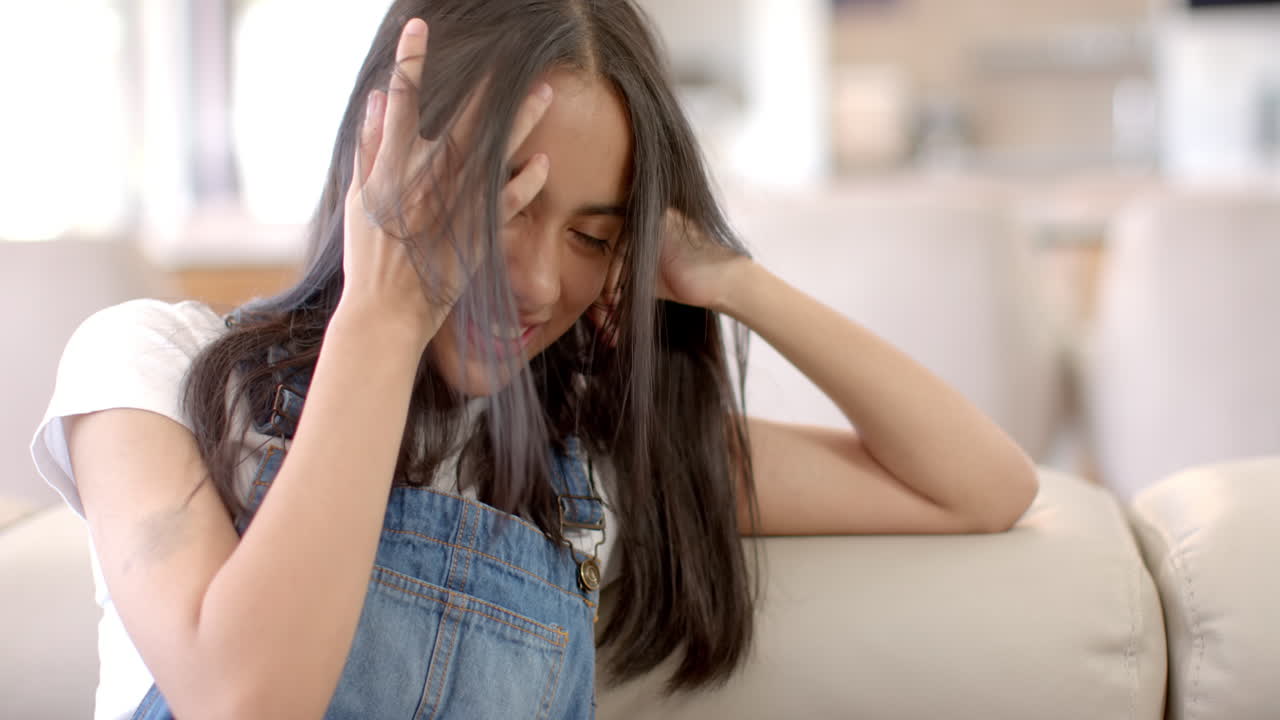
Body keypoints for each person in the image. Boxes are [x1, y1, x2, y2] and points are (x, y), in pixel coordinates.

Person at [31, 1, 1038, 718]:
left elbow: (980, 486)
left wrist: (732, 280)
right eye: (503, 206)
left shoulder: (588, 459)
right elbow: (247, 700)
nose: (539, 280)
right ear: (383, 156)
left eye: (592, 237)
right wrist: (386, 317)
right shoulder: (154, 370)